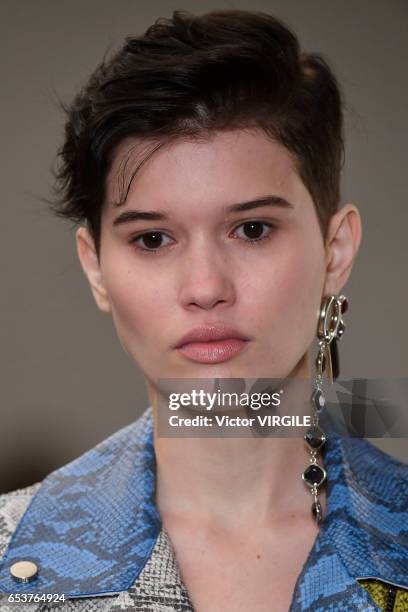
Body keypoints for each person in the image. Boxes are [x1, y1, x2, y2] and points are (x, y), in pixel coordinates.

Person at [0, 9, 407, 612]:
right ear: (96, 268)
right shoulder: (11, 563)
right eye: (153, 239)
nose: (206, 286)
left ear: (335, 249)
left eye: (252, 228)